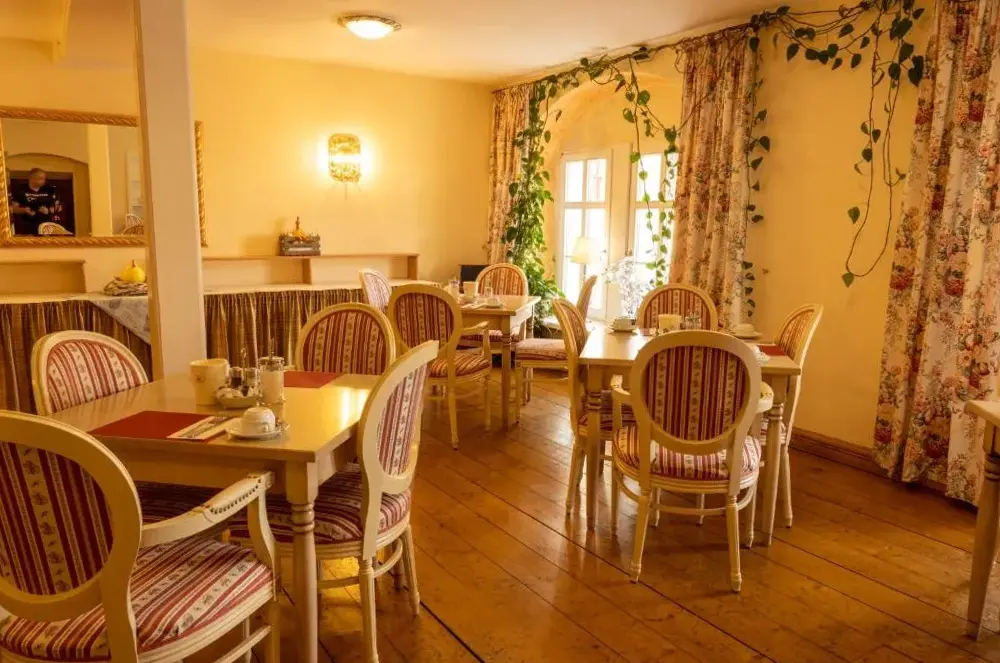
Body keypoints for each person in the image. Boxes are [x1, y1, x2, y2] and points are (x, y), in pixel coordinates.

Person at [9, 168, 63, 236]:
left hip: (46, 227)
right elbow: (13, 209)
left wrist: (49, 210)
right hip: (26, 225)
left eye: (44, 178)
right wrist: (25, 210)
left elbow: (59, 207)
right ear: (30, 177)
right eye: (39, 178)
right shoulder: (20, 189)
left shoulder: (49, 189)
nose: (43, 181)